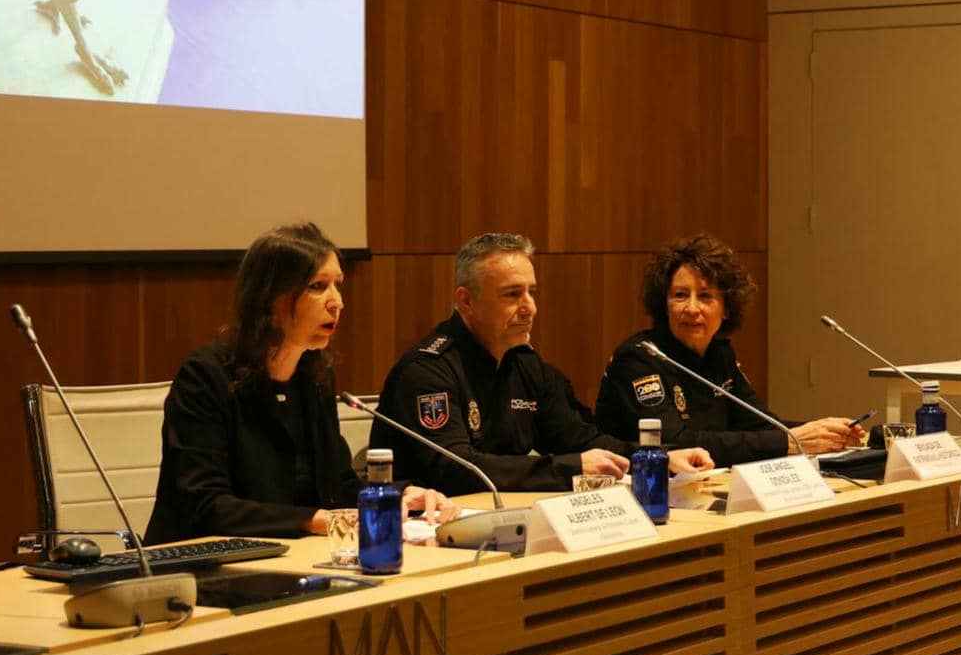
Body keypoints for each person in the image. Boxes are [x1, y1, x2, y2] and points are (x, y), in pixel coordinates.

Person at [144, 222, 455, 542]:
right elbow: (205, 505)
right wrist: (313, 520)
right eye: (318, 286)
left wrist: (396, 495)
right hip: (201, 567)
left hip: (292, 558)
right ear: (270, 298)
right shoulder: (206, 377)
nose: (337, 302)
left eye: (338, 285)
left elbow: (339, 486)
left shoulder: (314, 376)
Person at [371, 232, 713, 495]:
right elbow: (459, 470)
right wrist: (570, 468)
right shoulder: (428, 371)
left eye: (531, 292)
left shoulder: (525, 365)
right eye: (512, 295)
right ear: (466, 301)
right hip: (425, 528)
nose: (529, 307)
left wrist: (658, 458)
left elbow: (579, 439)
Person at [596, 234, 863, 463]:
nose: (691, 308)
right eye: (680, 295)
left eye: (705, 296)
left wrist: (821, 433)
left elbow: (758, 424)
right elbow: (676, 443)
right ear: (664, 304)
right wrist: (790, 442)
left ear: (726, 309)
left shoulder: (719, 353)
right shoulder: (640, 358)